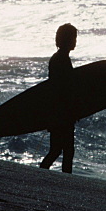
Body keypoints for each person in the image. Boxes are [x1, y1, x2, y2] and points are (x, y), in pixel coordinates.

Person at [40, 23, 78, 173]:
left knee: (58, 150)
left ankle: (44, 173)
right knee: (63, 150)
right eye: (73, 38)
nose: (75, 41)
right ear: (66, 39)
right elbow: (60, 88)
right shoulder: (60, 59)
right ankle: (46, 175)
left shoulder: (60, 58)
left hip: (59, 111)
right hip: (61, 112)